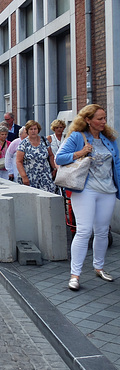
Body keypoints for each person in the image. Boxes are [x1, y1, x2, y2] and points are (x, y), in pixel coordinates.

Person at [55, 104, 120, 291]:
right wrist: (80, 153)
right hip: (85, 190)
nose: (104, 121)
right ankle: (75, 275)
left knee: (101, 231)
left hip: (107, 191)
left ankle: (99, 268)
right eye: (99, 118)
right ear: (88, 120)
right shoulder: (77, 136)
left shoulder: (109, 139)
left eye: (104, 118)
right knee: (83, 231)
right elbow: (59, 158)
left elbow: (117, 164)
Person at [16, 120, 56, 192]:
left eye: (35, 129)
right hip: (30, 176)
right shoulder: (23, 144)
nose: (33, 131)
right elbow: (19, 161)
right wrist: (24, 176)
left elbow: (51, 155)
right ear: (27, 131)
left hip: (45, 175)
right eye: (31, 129)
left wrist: (54, 168)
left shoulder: (44, 140)